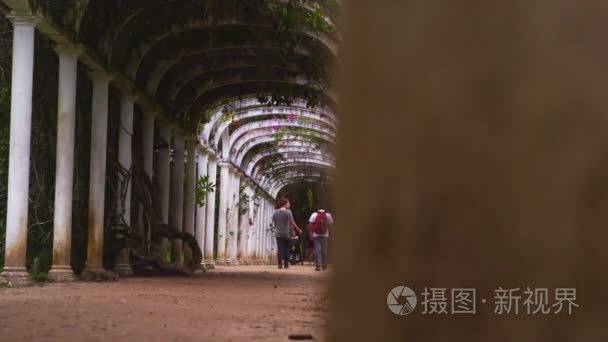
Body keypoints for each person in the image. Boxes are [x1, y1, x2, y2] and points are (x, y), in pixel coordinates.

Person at [272, 198, 302, 269]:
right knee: (286, 248)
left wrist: (277, 228)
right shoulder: (288, 212)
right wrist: (298, 229)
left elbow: (273, 221)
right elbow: (292, 222)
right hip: (287, 233)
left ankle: (279, 265)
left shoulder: (276, 212)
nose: (289, 205)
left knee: (280, 249)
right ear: (285, 204)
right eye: (288, 203)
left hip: (278, 233)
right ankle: (286, 264)